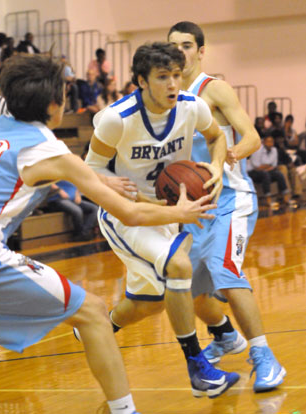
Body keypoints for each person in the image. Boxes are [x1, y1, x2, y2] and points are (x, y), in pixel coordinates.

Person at [0, 54, 219, 414]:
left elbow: (38, 170)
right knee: (92, 312)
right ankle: (123, 410)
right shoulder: (51, 151)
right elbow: (130, 214)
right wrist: (180, 212)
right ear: (57, 104)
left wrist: (99, 179)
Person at [85, 41, 240, 398]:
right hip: (126, 214)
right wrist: (111, 183)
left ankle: (99, 326)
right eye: (162, 77)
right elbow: (90, 168)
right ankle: (199, 368)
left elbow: (217, 137)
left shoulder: (192, 107)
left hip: (171, 211)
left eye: (176, 75)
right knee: (179, 267)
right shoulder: (117, 118)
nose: (173, 84)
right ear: (141, 80)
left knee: (149, 302)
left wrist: (215, 167)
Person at [168, 21, 285, 392]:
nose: (180, 52)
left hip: (232, 200)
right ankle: (224, 336)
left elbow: (251, 135)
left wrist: (226, 156)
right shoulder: (165, 97)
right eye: (174, 46)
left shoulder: (213, 89)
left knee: (226, 272)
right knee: (188, 291)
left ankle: (265, 357)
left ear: (200, 51)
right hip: (194, 209)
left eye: (187, 45)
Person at [247, 133, 291, 207]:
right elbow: (256, 167)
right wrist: (267, 166)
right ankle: (268, 200)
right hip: (252, 172)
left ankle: (286, 198)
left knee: (279, 174)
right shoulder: (257, 149)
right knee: (265, 174)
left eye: (272, 141)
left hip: (267, 171)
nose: (270, 143)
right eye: (268, 141)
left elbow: (273, 165)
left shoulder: (274, 150)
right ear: (263, 142)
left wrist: (265, 167)